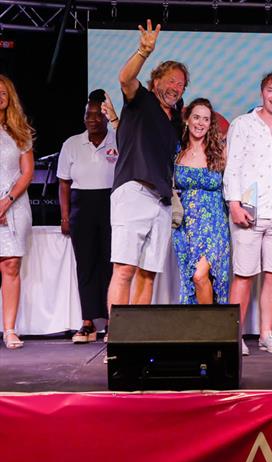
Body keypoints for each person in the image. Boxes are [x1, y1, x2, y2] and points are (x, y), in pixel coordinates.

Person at [108, 20, 188, 325]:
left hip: (162, 202)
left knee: (148, 274)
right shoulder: (140, 100)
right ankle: (116, 339)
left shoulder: (174, 122)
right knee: (125, 269)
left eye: (181, 84)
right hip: (134, 192)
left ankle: (136, 337)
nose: (176, 87)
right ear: (155, 81)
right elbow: (125, 78)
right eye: (171, 80)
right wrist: (143, 52)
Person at [225, 71, 272, 355]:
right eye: (271, 89)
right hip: (249, 209)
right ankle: (235, 335)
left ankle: (266, 334)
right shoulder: (242, 124)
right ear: (261, 92)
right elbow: (232, 166)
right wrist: (233, 203)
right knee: (244, 274)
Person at [57, 89, 117, 343]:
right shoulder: (71, 144)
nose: (92, 119)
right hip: (82, 206)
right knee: (86, 265)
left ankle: (113, 323)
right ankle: (88, 323)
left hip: (111, 205)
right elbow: (64, 184)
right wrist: (65, 216)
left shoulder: (118, 139)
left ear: (105, 117)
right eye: (88, 115)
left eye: (97, 115)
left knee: (110, 264)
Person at [173, 97, 230, 306]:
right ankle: (202, 330)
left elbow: (239, 180)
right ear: (187, 119)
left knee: (200, 275)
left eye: (205, 119)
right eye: (196, 117)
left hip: (214, 223)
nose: (200, 123)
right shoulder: (177, 151)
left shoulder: (219, 150)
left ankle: (211, 331)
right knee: (192, 280)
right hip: (185, 225)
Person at [0, 74, 34, 350]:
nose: (0, 97)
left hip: (14, 204)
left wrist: (7, 201)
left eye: (3, 93)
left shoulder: (19, 130)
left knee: (10, 265)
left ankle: (10, 329)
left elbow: (27, 172)